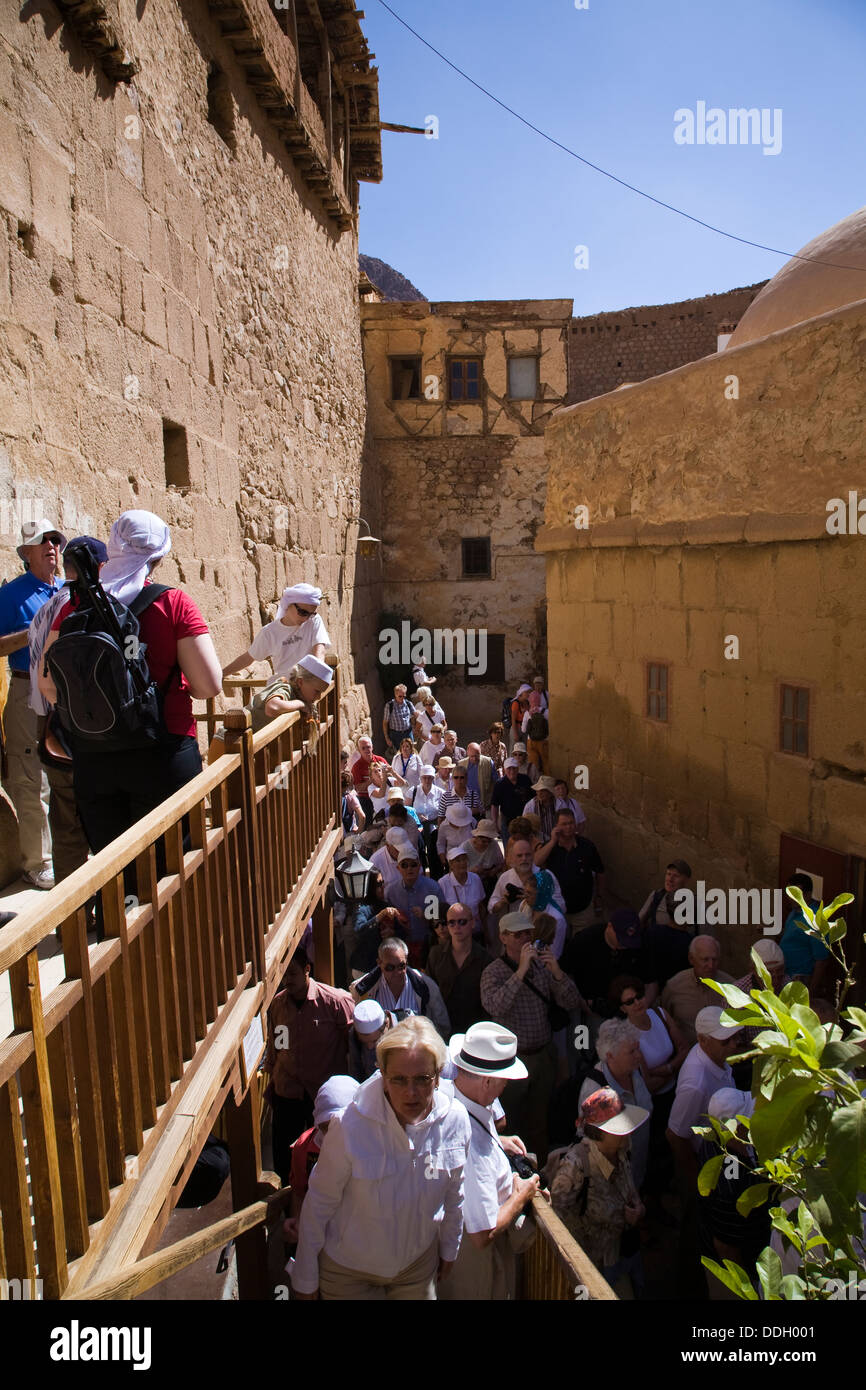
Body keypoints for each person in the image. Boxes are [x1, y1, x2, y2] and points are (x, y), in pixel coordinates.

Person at [40, 510, 222, 856]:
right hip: (163, 753)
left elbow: (48, 686)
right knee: (173, 872)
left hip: (95, 758)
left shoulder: (74, 605)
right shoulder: (173, 603)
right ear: (159, 555)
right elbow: (209, 685)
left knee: (116, 872)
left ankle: (122, 910)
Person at [290, 1016, 471, 1300]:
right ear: (383, 1077)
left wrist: (450, 1246)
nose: (410, 1093)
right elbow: (319, 1203)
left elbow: (455, 1192)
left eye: (422, 1079)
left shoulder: (456, 1121)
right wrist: (305, 1277)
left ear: (437, 1077)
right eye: (399, 1079)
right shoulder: (349, 1126)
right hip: (348, 1272)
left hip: (416, 1268)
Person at [439, 1023, 540, 1300]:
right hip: (471, 1267)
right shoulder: (474, 1145)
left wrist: (499, 1141)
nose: (506, 1085)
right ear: (486, 1082)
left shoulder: (447, 1093)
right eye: (504, 1079)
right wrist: (522, 1194)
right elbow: (484, 1233)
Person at [28, 535, 107, 886]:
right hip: (95, 731)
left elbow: (39, 682)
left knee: (66, 828)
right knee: (105, 822)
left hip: (55, 729)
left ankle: (73, 919)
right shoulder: (100, 606)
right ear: (101, 567)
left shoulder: (45, 610)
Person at [480, 912, 582, 1162]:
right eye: (518, 934)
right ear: (503, 937)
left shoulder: (542, 967)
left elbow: (570, 1000)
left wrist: (556, 971)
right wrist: (521, 971)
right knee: (511, 1119)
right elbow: (495, 1006)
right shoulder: (493, 972)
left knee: (540, 1118)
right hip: (512, 1059)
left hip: (543, 1055)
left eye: (528, 933)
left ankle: (541, 1171)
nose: (525, 939)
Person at [1, 518, 66, 888]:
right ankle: (37, 861)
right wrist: (31, 635)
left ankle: (66, 849)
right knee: (30, 776)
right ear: (26, 553)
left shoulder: (64, 591)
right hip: (28, 692)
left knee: (65, 770)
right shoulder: (10, 596)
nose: (51, 547)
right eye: (42, 542)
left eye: (55, 540)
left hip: (64, 694)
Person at [263, 947, 355, 1183]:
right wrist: (273, 1077)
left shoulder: (335, 1002)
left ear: (307, 970)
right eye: (283, 975)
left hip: (322, 1095)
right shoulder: (278, 1005)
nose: (287, 981)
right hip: (288, 1093)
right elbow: (277, 1043)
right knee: (285, 1159)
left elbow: (353, 1047)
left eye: (292, 974)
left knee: (329, 1154)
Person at [549, 1087, 647, 1296]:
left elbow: (629, 1190)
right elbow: (556, 1223)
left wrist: (638, 1210)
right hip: (588, 1267)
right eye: (618, 1128)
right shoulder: (575, 1166)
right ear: (599, 1132)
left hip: (619, 1255)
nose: (627, 1132)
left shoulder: (622, 1150)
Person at [696, 1088, 769, 1300]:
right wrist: (748, 1291)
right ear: (734, 1128)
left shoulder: (723, 1140)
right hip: (734, 1271)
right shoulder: (729, 1180)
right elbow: (726, 1247)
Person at [666, 1007, 741, 1181]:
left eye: (734, 1037)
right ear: (702, 1040)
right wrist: (697, 1180)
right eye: (725, 1040)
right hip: (712, 1160)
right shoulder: (695, 1085)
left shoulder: (714, 1055)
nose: (734, 1044)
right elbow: (675, 1135)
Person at [283, 1076, 360, 1244]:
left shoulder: (374, 1146)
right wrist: (298, 1221)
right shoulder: (304, 1147)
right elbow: (299, 1191)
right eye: (327, 1126)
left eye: (340, 1124)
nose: (334, 1133)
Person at [579, 1018, 653, 1189]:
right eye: (631, 1051)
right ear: (610, 1055)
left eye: (638, 1049)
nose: (638, 1055)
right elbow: (589, 1142)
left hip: (638, 1167)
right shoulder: (594, 1089)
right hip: (612, 1184)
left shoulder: (635, 1071)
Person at [222, 581, 328, 680]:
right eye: (303, 612)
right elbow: (248, 658)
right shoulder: (269, 632)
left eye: (311, 614)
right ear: (290, 604)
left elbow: (319, 651)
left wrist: (314, 676)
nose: (306, 618)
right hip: (283, 684)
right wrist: (221, 674)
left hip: (307, 682)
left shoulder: (314, 621)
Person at [352, 937, 451, 1039]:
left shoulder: (426, 986)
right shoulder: (363, 989)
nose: (397, 973)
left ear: (406, 961)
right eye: (390, 968)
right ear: (379, 963)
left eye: (401, 966)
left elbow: (442, 1027)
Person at [534, 807, 606, 931]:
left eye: (571, 823)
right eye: (564, 824)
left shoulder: (586, 846)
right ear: (556, 826)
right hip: (556, 909)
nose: (569, 827)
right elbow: (537, 862)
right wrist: (552, 842)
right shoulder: (550, 847)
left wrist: (599, 896)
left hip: (583, 909)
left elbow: (600, 872)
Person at [427, 903, 493, 1035]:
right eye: (451, 922)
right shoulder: (435, 954)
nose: (456, 927)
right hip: (442, 1029)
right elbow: (429, 993)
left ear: (473, 923)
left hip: (475, 1031)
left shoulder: (485, 958)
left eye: (462, 922)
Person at [661, 936, 734, 1048]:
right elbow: (665, 1020)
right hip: (687, 1056)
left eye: (714, 960)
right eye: (705, 960)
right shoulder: (675, 986)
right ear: (691, 959)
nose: (711, 966)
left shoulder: (730, 986)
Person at [638, 859, 695, 989]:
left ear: (686, 880)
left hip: (680, 960)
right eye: (668, 874)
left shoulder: (695, 903)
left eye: (676, 876)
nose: (670, 879)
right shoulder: (656, 896)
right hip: (655, 956)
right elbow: (639, 921)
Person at [385, 848, 446, 967]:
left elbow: (442, 919)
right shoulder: (391, 892)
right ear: (398, 868)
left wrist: (425, 916)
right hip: (402, 947)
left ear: (419, 866)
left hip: (429, 945)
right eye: (404, 865)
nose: (409, 869)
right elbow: (389, 922)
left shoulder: (432, 888)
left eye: (413, 864)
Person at [248, 654, 332, 734]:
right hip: (244, 733)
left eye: (321, 692)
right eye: (317, 691)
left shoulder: (299, 694)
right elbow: (272, 708)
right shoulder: (285, 688)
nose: (318, 697)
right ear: (300, 682)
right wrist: (300, 704)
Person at [779, 872, 831, 992]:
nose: (790, 898)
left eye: (796, 894)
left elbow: (822, 960)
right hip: (786, 976)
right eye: (789, 893)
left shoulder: (814, 921)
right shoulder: (795, 911)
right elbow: (792, 936)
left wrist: (811, 992)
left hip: (800, 980)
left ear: (807, 895)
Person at [438, 848, 488, 942]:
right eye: (458, 860)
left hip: (475, 932)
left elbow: (481, 907)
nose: (462, 863)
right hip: (454, 935)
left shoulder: (475, 879)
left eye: (464, 859)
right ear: (451, 864)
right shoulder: (443, 883)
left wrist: (486, 932)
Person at [347, 1000, 394, 1082]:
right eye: (364, 1042)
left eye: (375, 1041)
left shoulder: (407, 1031)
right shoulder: (354, 1037)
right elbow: (356, 1072)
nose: (370, 1047)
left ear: (387, 1024)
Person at [490, 757, 532, 844]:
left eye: (514, 768)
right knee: (509, 846)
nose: (512, 771)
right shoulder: (500, 784)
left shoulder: (525, 780)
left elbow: (533, 799)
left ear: (518, 769)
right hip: (507, 821)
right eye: (509, 768)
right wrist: (495, 823)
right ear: (505, 770)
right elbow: (495, 805)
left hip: (524, 819)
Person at [461, 818, 505, 897]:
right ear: (476, 837)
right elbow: (458, 870)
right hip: (469, 881)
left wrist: (494, 870)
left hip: (488, 880)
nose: (487, 844)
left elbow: (501, 863)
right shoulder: (465, 847)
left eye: (489, 841)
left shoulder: (494, 845)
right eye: (484, 841)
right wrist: (471, 871)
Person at [457, 743, 497, 815]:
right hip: (466, 805)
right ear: (467, 754)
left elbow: (496, 782)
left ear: (480, 752)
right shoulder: (461, 764)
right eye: (472, 756)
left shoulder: (488, 762)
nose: (474, 758)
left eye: (477, 755)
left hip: (484, 805)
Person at [522, 691, 549, 774]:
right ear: (540, 700)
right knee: (546, 763)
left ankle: (534, 784)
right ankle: (547, 782)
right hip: (544, 741)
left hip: (531, 741)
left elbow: (523, 730)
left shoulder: (527, 713)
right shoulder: (546, 712)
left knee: (533, 765)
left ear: (530, 700)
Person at [382, 684, 414, 753]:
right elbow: (385, 722)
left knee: (411, 753)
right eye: (400, 696)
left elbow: (414, 716)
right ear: (395, 694)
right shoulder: (389, 706)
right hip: (396, 735)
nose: (402, 698)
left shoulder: (408, 704)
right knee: (399, 754)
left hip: (408, 733)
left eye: (404, 696)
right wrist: (387, 738)